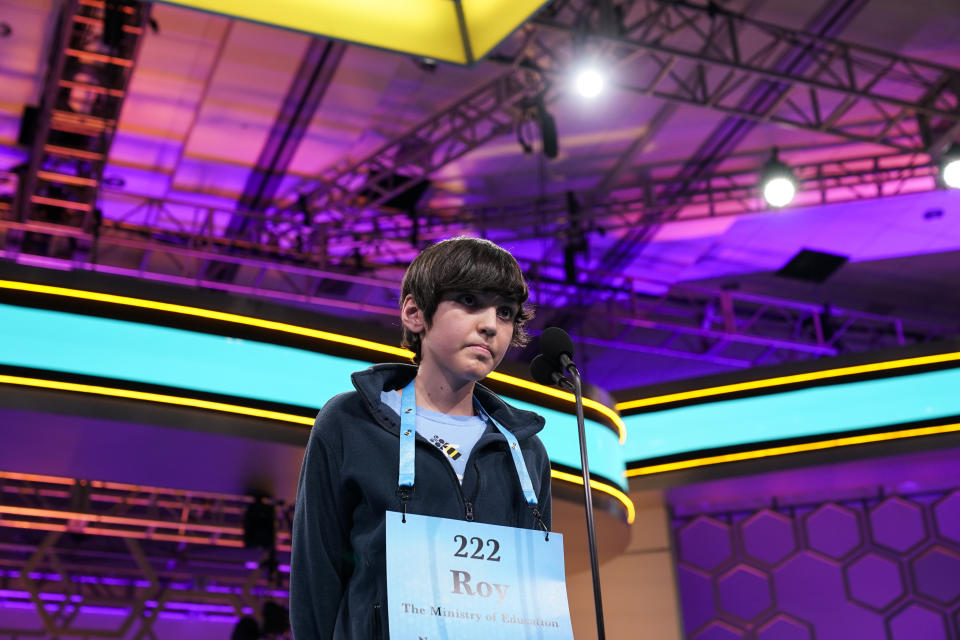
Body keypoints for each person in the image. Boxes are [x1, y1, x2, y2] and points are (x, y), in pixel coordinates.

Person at [289, 236, 552, 639]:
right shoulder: (350, 422)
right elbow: (315, 578)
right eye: (468, 300)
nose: (489, 325)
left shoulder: (526, 449)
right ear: (414, 313)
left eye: (505, 313)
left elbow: (533, 593)